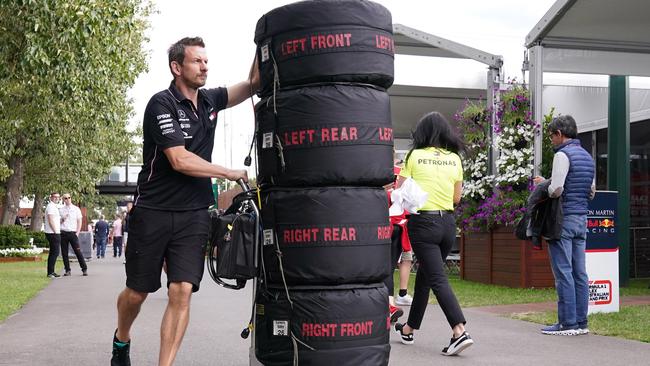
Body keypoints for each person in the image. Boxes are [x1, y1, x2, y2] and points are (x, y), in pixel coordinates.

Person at [111, 36, 258, 366]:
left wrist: (263, 43)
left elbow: (253, 84)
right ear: (177, 67)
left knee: (181, 290)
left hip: (193, 216)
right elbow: (179, 160)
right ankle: (122, 339)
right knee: (137, 292)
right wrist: (228, 171)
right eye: (197, 61)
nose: (205, 66)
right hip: (153, 211)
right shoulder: (160, 104)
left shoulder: (210, 101)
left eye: (206, 61)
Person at [393, 112, 474, 356]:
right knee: (426, 277)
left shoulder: (414, 156)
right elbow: (457, 198)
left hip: (423, 222)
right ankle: (408, 328)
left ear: (422, 133)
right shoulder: (454, 159)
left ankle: (459, 331)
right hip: (448, 223)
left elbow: (400, 189)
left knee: (437, 278)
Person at [533, 115, 595, 336]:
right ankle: (581, 322)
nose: (551, 139)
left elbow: (557, 189)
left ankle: (567, 324)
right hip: (581, 219)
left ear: (560, 133)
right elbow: (591, 190)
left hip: (563, 219)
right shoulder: (587, 156)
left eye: (551, 135)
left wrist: (545, 189)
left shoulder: (562, 155)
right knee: (580, 273)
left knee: (563, 272)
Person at [59, 193, 88, 276]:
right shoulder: (61, 210)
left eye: (69, 198)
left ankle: (84, 269)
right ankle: (67, 270)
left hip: (73, 233)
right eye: (65, 198)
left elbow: (79, 221)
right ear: (63, 200)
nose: (67, 199)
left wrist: (77, 232)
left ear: (71, 198)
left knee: (77, 251)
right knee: (64, 253)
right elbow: (58, 222)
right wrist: (62, 219)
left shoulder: (76, 209)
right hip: (63, 233)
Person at [45, 192, 62, 278]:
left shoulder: (54, 207)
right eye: (54, 197)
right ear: (50, 197)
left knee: (53, 252)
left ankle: (51, 271)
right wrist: (55, 231)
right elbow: (50, 220)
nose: (56, 198)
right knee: (55, 252)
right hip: (52, 233)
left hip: (54, 232)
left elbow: (55, 220)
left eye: (58, 197)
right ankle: (50, 272)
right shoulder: (51, 207)